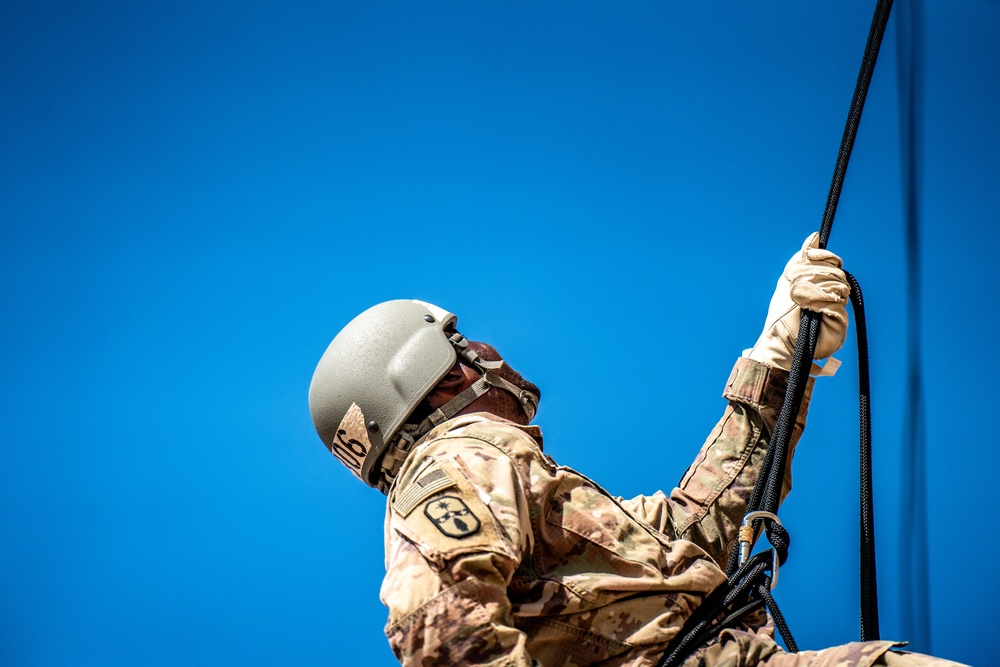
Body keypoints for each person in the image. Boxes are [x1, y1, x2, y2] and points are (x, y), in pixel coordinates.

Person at [308, 235, 964, 666]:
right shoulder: (459, 459)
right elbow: (442, 628)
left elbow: (693, 524)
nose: (486, 349)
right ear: (438, 370)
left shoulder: (516, 488)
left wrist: (776, 363)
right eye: (462, 340)